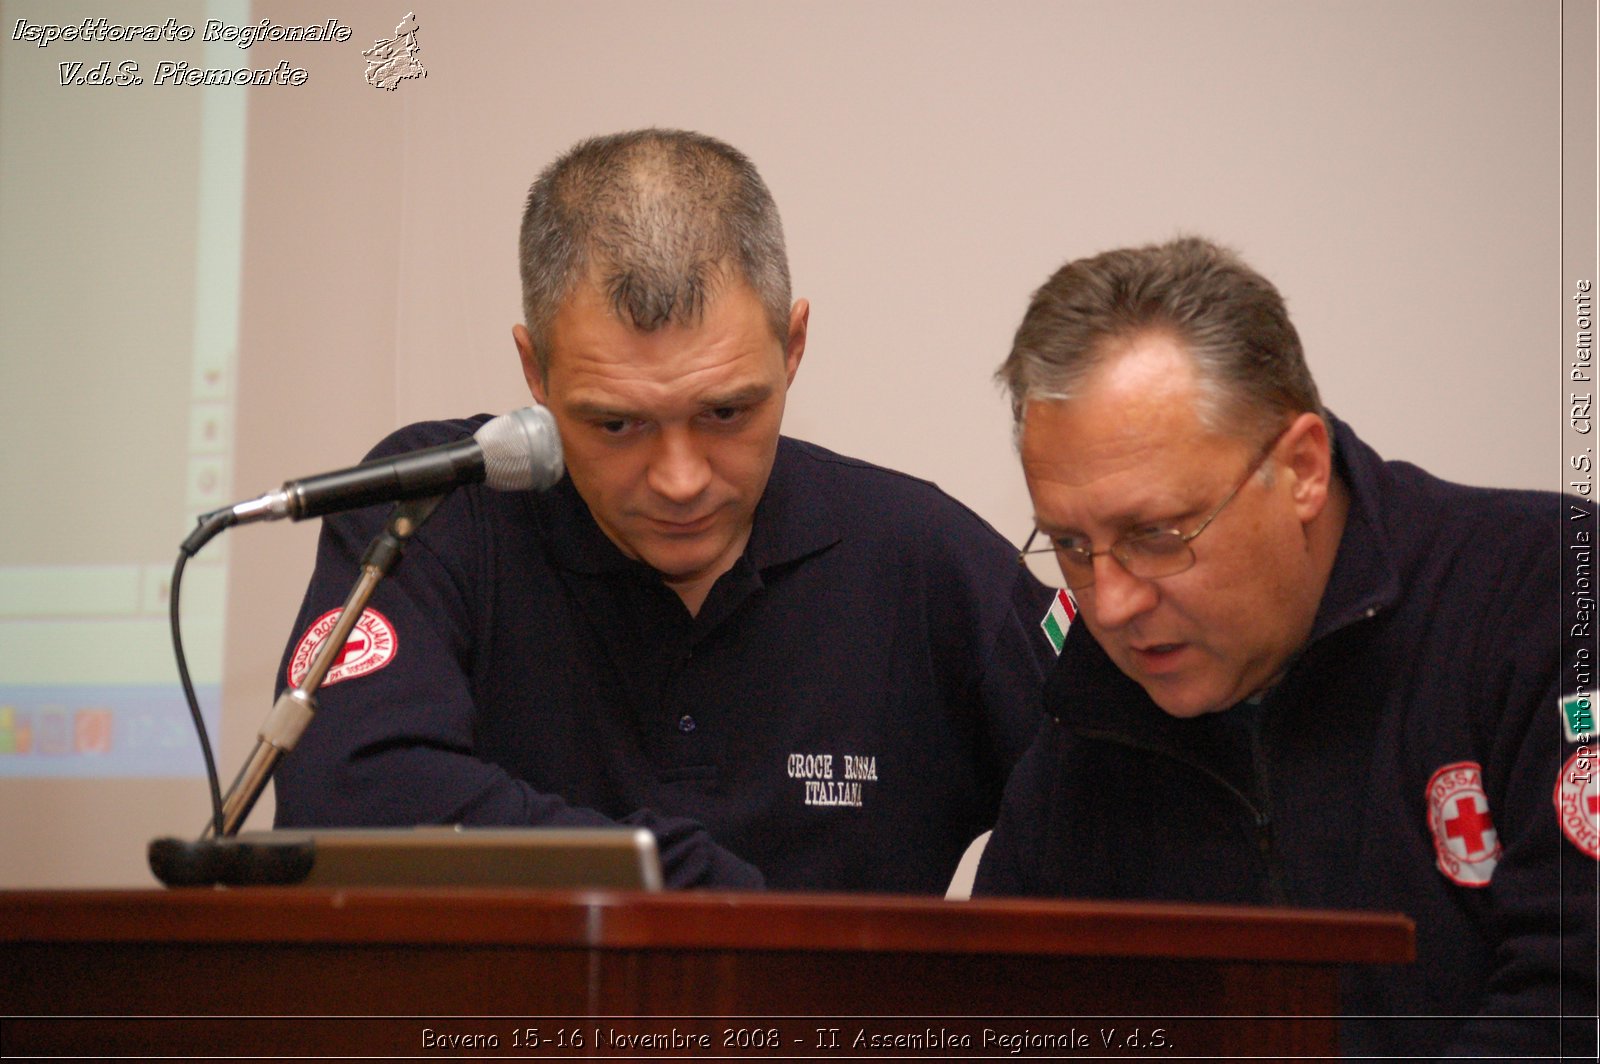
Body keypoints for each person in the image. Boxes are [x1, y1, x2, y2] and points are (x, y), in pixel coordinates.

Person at [271, 129, 1056, 892]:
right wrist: (683, 890)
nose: (680, 481)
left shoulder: (920, 559)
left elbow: (1127, 783)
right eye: (617, 424)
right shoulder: (437, 510)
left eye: (726, 414)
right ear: (533, 370)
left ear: (793, 347)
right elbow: (344, 795)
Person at [975, 236, 1598, 1058]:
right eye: (1071, 544)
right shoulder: (1082, 731)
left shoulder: (1544, 598)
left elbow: (1574, 1009)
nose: (1111, 601)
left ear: (1302, 467)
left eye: (1157, 536)